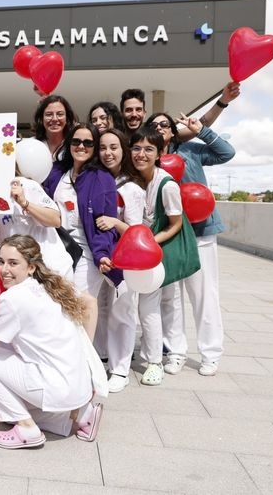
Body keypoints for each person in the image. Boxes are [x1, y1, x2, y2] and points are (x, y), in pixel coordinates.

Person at [0, 235, 105, 448]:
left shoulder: (12, 299)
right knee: (2, 365)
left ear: (30, 267)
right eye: (1, 262)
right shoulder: (51, 285)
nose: (4, 269)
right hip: (80, 386)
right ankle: (83, 415)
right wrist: (86, 363)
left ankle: (26, 428)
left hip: (57, 387)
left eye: (13, 263)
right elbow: (90, 302)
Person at [144, 109, 236, 377]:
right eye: (155, 125)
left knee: (203, 294)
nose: (160, 128)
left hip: (201, 232)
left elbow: (226, 153)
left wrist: (201, 130)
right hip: (168, 236)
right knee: (170, 298)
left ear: (173, 130)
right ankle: (175, 352)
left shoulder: (192, 151)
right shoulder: (147, 159)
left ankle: (210, 354)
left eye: (165, 124)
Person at [45, 124, 121, 335]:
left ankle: (85, 361)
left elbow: (106, 222)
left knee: (80, 307)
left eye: (88, 143)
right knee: (56, 308)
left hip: (87, 251)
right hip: (56, 248)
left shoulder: (102, 178)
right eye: (76, 141)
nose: (81, 146)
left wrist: (103, 253)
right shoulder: (56, 172)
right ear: (68, 143)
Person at [130, 127, 188, 386]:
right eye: (137, 148)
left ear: (159, 153)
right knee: (145, 305)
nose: (141, 154)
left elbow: (176, 223)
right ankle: (154, 355)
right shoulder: (134, 178)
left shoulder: (167, 184)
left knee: (149, 306)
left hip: (156, 253)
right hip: (139, 252)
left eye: (148, 150)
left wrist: (151, 241)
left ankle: (155, 362)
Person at [0, 139, 73, 278]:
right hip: (22, 278)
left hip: (51, 272)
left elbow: (55, 220)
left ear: (4, 159)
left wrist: (25, 203)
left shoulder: (24, 185)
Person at [94, 128, 146, 392]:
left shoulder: (131, 189)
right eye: (103, 147)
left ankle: (121, 369)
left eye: (113, 147)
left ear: (123, 150)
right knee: (101, 310)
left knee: (123, 312)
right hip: (100, 259)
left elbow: (137, 233)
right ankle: (102, 357)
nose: (108, 153)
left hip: (123, 261)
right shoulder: (96, 181)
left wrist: (115, 222)